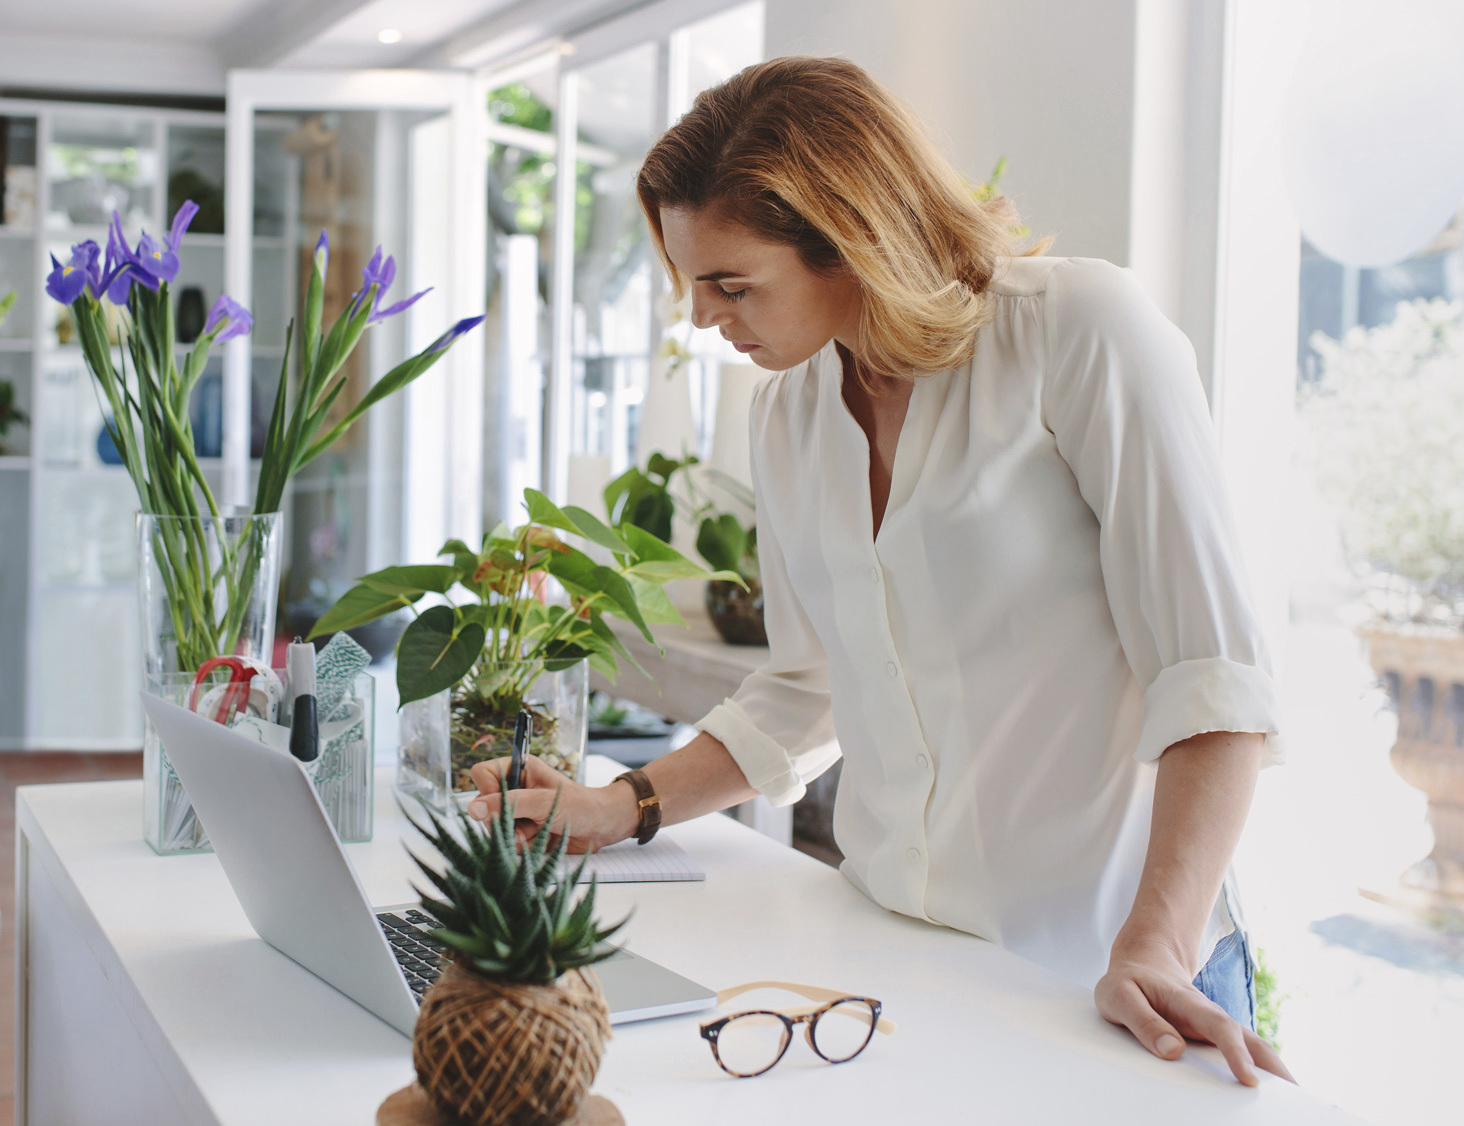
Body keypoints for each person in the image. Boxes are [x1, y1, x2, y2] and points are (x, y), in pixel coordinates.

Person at [468, 55, 1293, 1087]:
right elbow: (809, 686)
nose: (702, 319)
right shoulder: (789, 412)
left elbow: (1212, 680)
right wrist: (624, 802)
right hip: (905, 964)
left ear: (845, 236)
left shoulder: (1077, 331)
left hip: (1114, 976)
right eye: (693, 284)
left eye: (730, 284)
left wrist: (1155, 943)